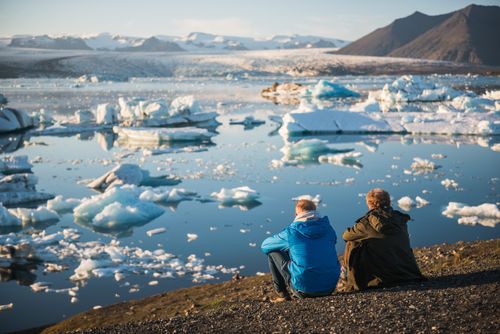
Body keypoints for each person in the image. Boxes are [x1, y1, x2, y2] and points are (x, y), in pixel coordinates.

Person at [341, 188, 424, 291]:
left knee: (352, 242)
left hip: (383, 279)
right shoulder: (399, 219)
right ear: (389, 201)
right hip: (409, 274)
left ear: (369, 203)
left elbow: (345, 236)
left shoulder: (366, 223)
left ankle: (348, 278)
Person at [261, 199, 340, 301]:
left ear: (296, 214)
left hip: (304, 290)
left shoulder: (291, 232)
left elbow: (265, 246)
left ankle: (282, 294)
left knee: (273, 252)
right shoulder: (329, 229)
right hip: (330, 287)